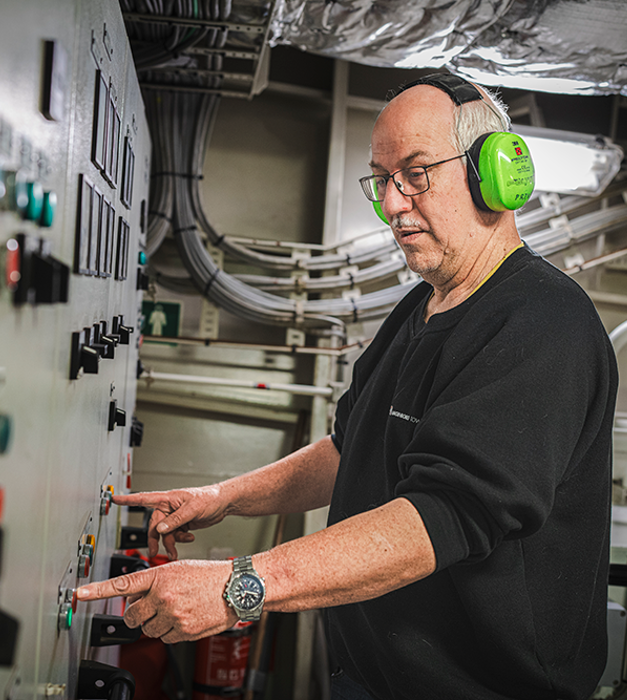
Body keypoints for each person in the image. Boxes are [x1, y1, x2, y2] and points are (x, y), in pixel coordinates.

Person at [76, 74, 618, 700]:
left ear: (492, 174)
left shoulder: (543, 321)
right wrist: (224, 496)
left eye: (416, 173)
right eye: (382, 180)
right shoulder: (421, 308)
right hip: (370, 678)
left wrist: (238, 585)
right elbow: (348, 448)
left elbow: (443, 517)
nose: (392, 203)